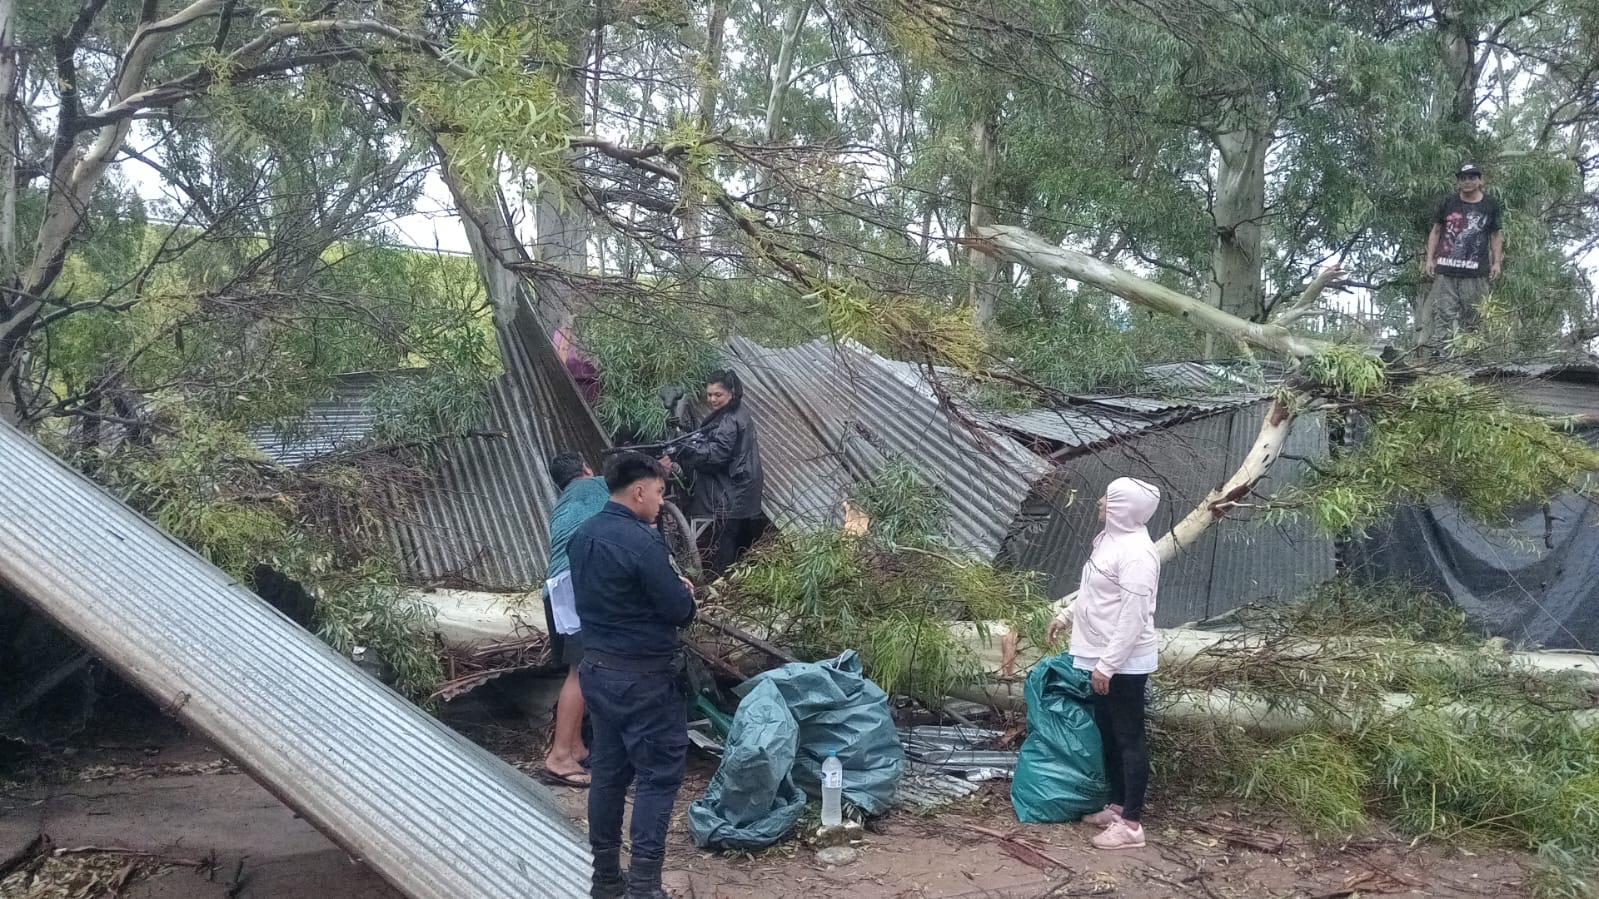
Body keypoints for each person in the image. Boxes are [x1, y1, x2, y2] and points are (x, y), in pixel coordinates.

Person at [570, 452, 697, 899]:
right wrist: (684, 593)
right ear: (639, 491)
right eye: (660, 493)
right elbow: (678, 611)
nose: (662, 503)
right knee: (658, 778)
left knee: (608, 774)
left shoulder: (583, 535)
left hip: (597, 672)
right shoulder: (643, 542)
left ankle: (605, 879)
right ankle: (644, 886)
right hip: (644, 679)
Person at [1045, 477, 1162, 851]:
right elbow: (1095, 591)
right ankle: (1117, 806)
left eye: (1108, 498)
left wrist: (1108, 665)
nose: (1099, 501)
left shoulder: (1138, 554)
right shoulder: (1108, 541)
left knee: (1129, 737)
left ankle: (1131, 825)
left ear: (1124, 507)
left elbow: (1133, 615)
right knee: (1109, 733)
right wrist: (1066, 615)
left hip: (1124, 663)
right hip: (1103, 656)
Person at [538, 452, 610, 788]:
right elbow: (635, 484)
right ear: (586, 469)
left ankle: (577, 745)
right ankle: (560, 755)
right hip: (576, 585)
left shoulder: (564, 504)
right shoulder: (596, 486)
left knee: (580, 668)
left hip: (555, 590)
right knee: (581, 670)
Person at [661, 369, 766, 577]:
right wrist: (687, 436)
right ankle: (729, 578)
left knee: (725, 541)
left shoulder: (730, 420)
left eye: (718, 395)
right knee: (734, 540)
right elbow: (711, 440)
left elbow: (716, 455)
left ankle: (720, 579)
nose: (712, 400)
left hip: (734, 491)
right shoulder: (733, 412)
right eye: (709, 395)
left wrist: (685, 447)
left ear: (731, 392)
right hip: (740, 488)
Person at [1419, 162, 1504, 353]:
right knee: (1444, 314)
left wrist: (1497, 263)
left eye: (1472, 178)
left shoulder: (1490, 204)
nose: (1467, 182)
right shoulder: (1448, 202)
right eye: (1463, 178)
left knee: (1474, 317)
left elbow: (1495, 235)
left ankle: (1471, 357)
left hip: (1476, 273)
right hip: (1446, 270)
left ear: (1480, 180)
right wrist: (1430, 259)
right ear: (1458, 182)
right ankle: (1440, 356)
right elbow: (1436, 231)